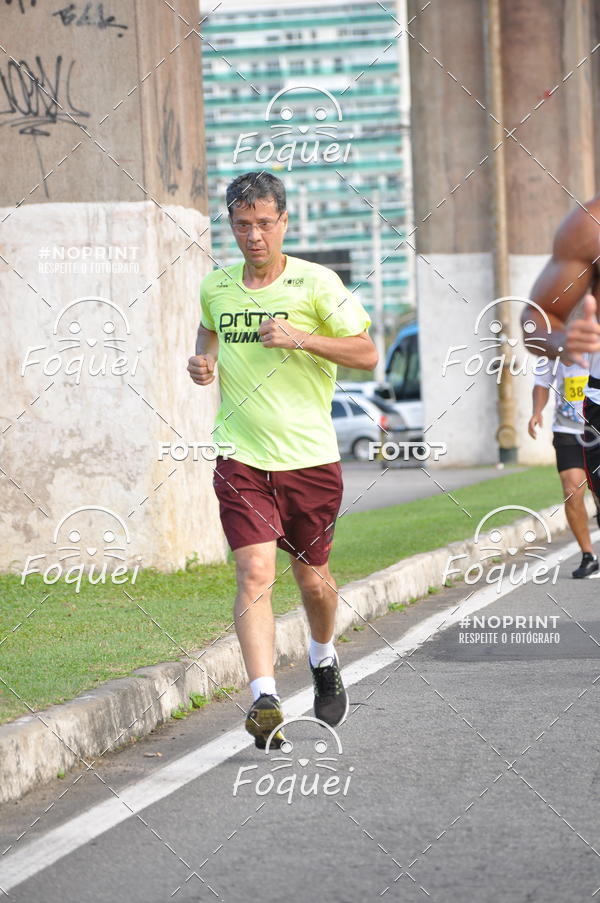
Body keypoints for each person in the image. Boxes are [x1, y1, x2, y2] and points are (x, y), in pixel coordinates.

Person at [187, 172, 377, 749]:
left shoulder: (318, 284)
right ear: (231, 226)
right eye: (242, 225)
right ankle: (264, 699)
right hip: (241, 456)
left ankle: (322, 656)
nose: (253, 236)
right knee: (254, 574)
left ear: (284, 222)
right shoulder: (216, 286)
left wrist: (303, 338)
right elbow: (207, 335)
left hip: (310, 460)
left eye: (264, 224)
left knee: (313, 581)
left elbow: (367, 353)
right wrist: (201, 365)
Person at [522, 195, 600, 551]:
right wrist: (562, 342)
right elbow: (535, 321)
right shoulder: (589, 226)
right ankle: (587, 553)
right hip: (576, 419)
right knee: (572, 489)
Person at [528, 356, 598, 577]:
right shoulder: (553, 342)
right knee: (571, 490)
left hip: (595, 423)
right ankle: (588, 555)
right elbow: (541, 382)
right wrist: (537, 411)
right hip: (568, 427)